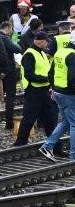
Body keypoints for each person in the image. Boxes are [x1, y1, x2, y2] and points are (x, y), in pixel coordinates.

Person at [13, 32, 60, 147]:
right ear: (41, 41)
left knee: (50, 121)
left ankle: (55, 146)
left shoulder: (42, 54)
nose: (47, 44)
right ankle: (20, 142)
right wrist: (46, 80)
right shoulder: (29, 54)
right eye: (46, 41)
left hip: (44, 91)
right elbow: (29, 75)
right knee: (29, 118)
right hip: (33, 92)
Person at [41, 27, 75, 161]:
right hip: (68, 93)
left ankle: (47, 146)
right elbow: (73, 78)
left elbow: (51, 72)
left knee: (66, 122)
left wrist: (53, 88)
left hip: (58, 91)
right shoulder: (73, 56)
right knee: (74, 123)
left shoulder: (61, 52)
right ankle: (73, 156)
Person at [0, 21, 22, 132]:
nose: (11, 32)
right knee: (10, 98)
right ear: (7, 28)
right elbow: (17, 49)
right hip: (9, 72)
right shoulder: (5, 38)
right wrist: (14, 42)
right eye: (11, 30)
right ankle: (9, 123)